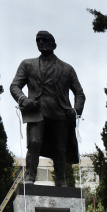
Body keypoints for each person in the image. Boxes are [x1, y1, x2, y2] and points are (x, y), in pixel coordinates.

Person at [9, 31, 85, 186]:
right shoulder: (27, 64)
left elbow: (79, 93)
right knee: (34, 143)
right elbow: (15, 86)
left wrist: (76, 110)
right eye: (38, 40)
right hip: (37, 112)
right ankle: (30, 177)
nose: (41, 42)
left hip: (60, 113)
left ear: (54, 45)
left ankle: (61, 180)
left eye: (45, 40)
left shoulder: (67, 68)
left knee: (60, 148)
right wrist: (23, 99)